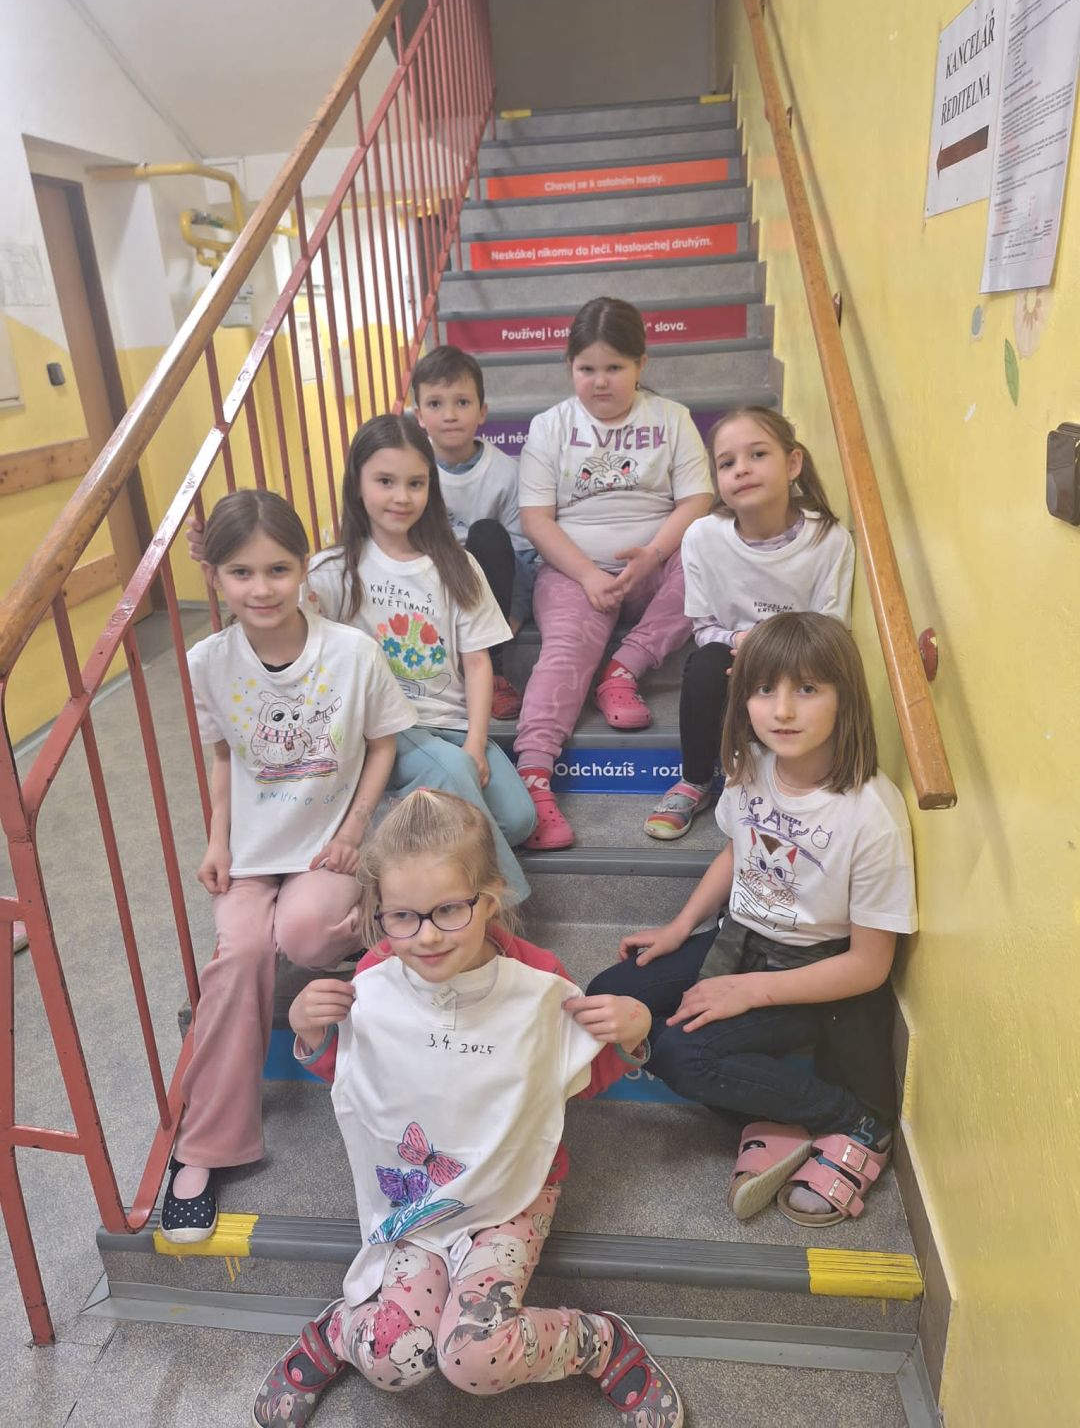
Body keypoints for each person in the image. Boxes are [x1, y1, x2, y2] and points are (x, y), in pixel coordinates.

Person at [251, 789, 682, 1428]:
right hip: (417, 1195)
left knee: (477, 1357)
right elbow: (359, 1076)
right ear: (377, 911)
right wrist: (311, 1032)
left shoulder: (538, 980)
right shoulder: (373, 976)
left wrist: (633, 1032)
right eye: (402, 917)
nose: (426, 936)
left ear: (491, 896)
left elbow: (578, 1079)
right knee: (390, 1361)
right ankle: (337, 1332)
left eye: (449, 910)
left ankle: (599, 1343)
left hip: (511, 1191)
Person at [589, 613, 917, 1227]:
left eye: (807, 689)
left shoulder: (871, 812)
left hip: (812, 972)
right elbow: (736, 851)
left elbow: (870, 966)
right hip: (737, 940)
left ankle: (852, 1120)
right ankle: (774, 1119)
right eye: (765, 689)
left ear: (845, 697)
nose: (782, 710)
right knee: (609, 995)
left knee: (681, 1055)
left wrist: (750, 991)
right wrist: (681, 926)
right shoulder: (751, 766)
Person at [163, 490, 415, 1244]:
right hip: (250, 851)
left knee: (303, 935)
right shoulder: (207, 661)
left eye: (277, 568)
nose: (261, 588)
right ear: (215, 576)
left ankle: (373, 920)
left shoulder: (352, 652)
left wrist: (356, 830)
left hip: (328, 846)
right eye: (240, 572)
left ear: (304, 567)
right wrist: (216, 841)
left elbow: (383, 744)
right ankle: (205, 1147)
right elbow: (222, 757)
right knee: (241, 951)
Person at [305, 413, 536, 903]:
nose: (401, 497)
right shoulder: (331, 570)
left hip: (449, 723)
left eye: (415, 483)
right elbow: (275, 614)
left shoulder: (456, 564)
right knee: (450, 772)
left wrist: (476, 743)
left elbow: (478, 664)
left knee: (518, 820)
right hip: (384, 730)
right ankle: (500, 906)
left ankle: (406, 824)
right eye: (385, 481)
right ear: (357, 484)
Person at [514, 296, 714, 851]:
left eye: (615, 367)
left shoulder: (671, 418)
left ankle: (623, 670)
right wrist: (586, 575)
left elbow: (697, 500)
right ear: (569, 366)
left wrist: (654, 553)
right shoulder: (550, 427)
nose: (600, 382)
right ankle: (533, 778)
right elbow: (536, 519)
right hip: (573, 572)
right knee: (564, 651)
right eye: (587, 368)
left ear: (641, 364)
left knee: (708, 555)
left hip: (655, 563)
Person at [645, 406, 855, 840]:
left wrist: (770, 651)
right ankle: (695, 780)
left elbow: (831, 628)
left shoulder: (829, 539)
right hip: (731, 655)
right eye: (727, 463)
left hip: (802, 659)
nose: (741, 469)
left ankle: (782, 777)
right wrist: (743, 642)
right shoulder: (701, 536)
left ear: (792, 464)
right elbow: (704, 628)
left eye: (758, 455)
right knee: (705, 665)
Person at [411, 344, 538, 720]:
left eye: (462, 402)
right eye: (435, 404)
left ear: (482, 411)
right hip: (431, 583)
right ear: (419, 415)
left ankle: (494, 670)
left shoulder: (505, 472)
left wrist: (515, 613)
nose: (450, 415)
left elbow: (524, 556)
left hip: (488, 592)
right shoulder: (412, 469)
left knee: (488, 534)